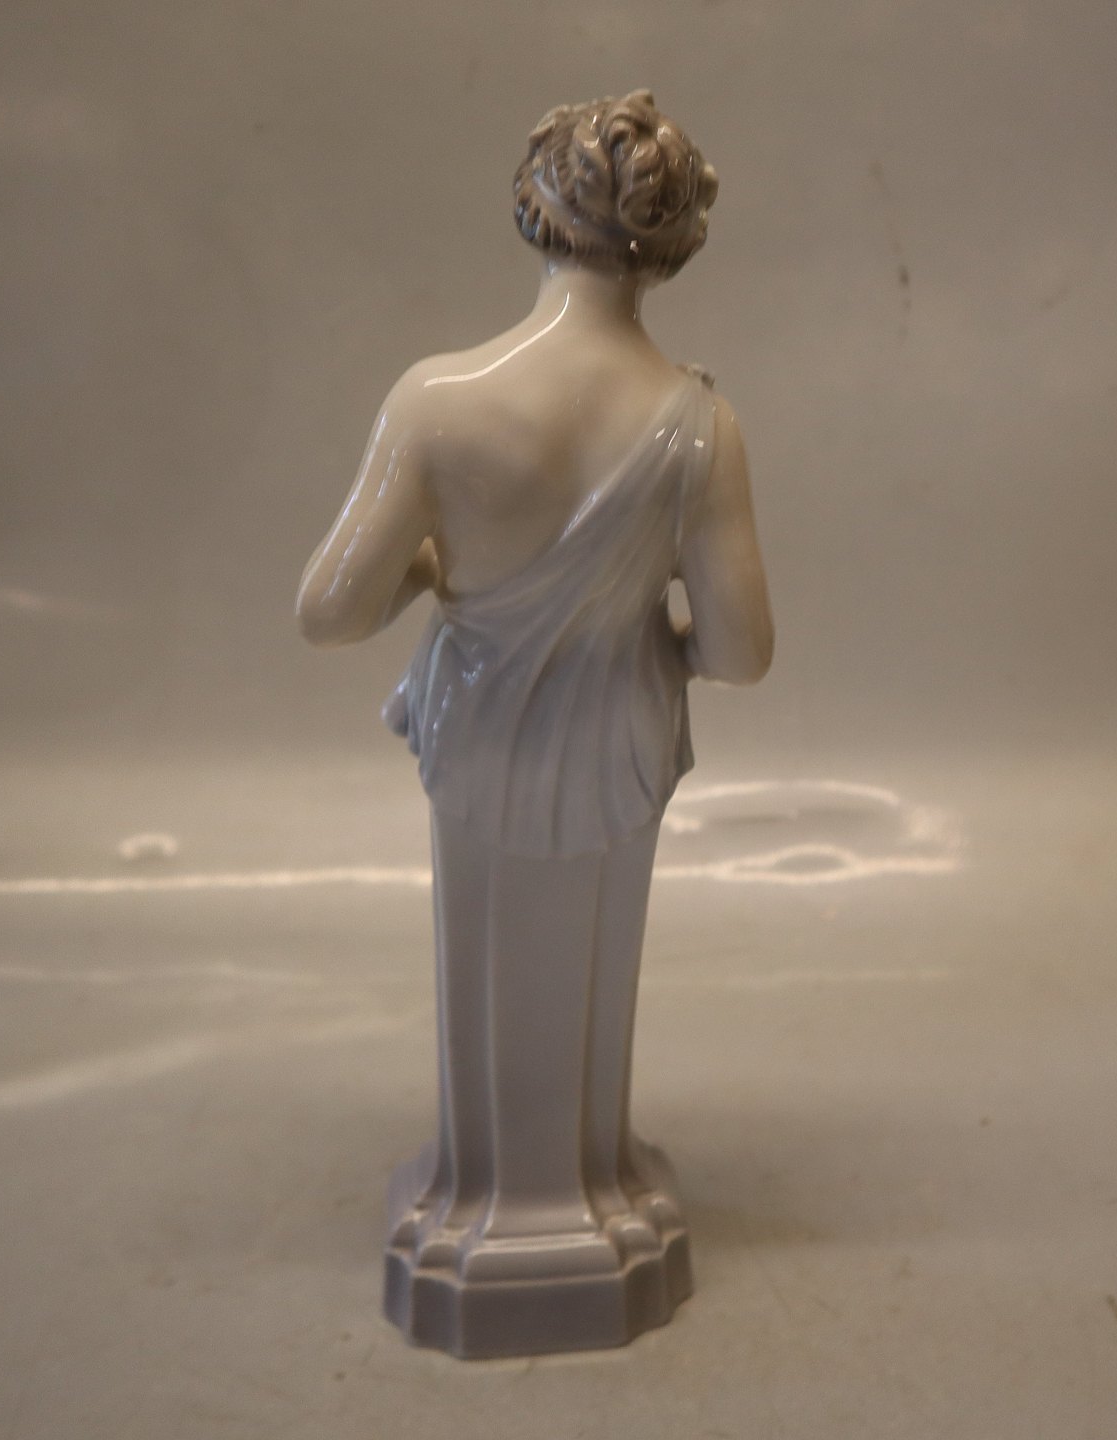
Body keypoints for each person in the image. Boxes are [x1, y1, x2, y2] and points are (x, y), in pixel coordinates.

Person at [297, 90, 772, 1357]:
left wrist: (437, 574)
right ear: (674, 237)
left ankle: (484, 1194)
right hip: (618, 735)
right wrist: (645, 648)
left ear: (536, 207)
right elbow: (739, 651)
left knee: (488, 949)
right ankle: (589, 1185)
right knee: (591, 961)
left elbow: (331, 610)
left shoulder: (438, 400)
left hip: (479, 727)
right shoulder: (701, 426)